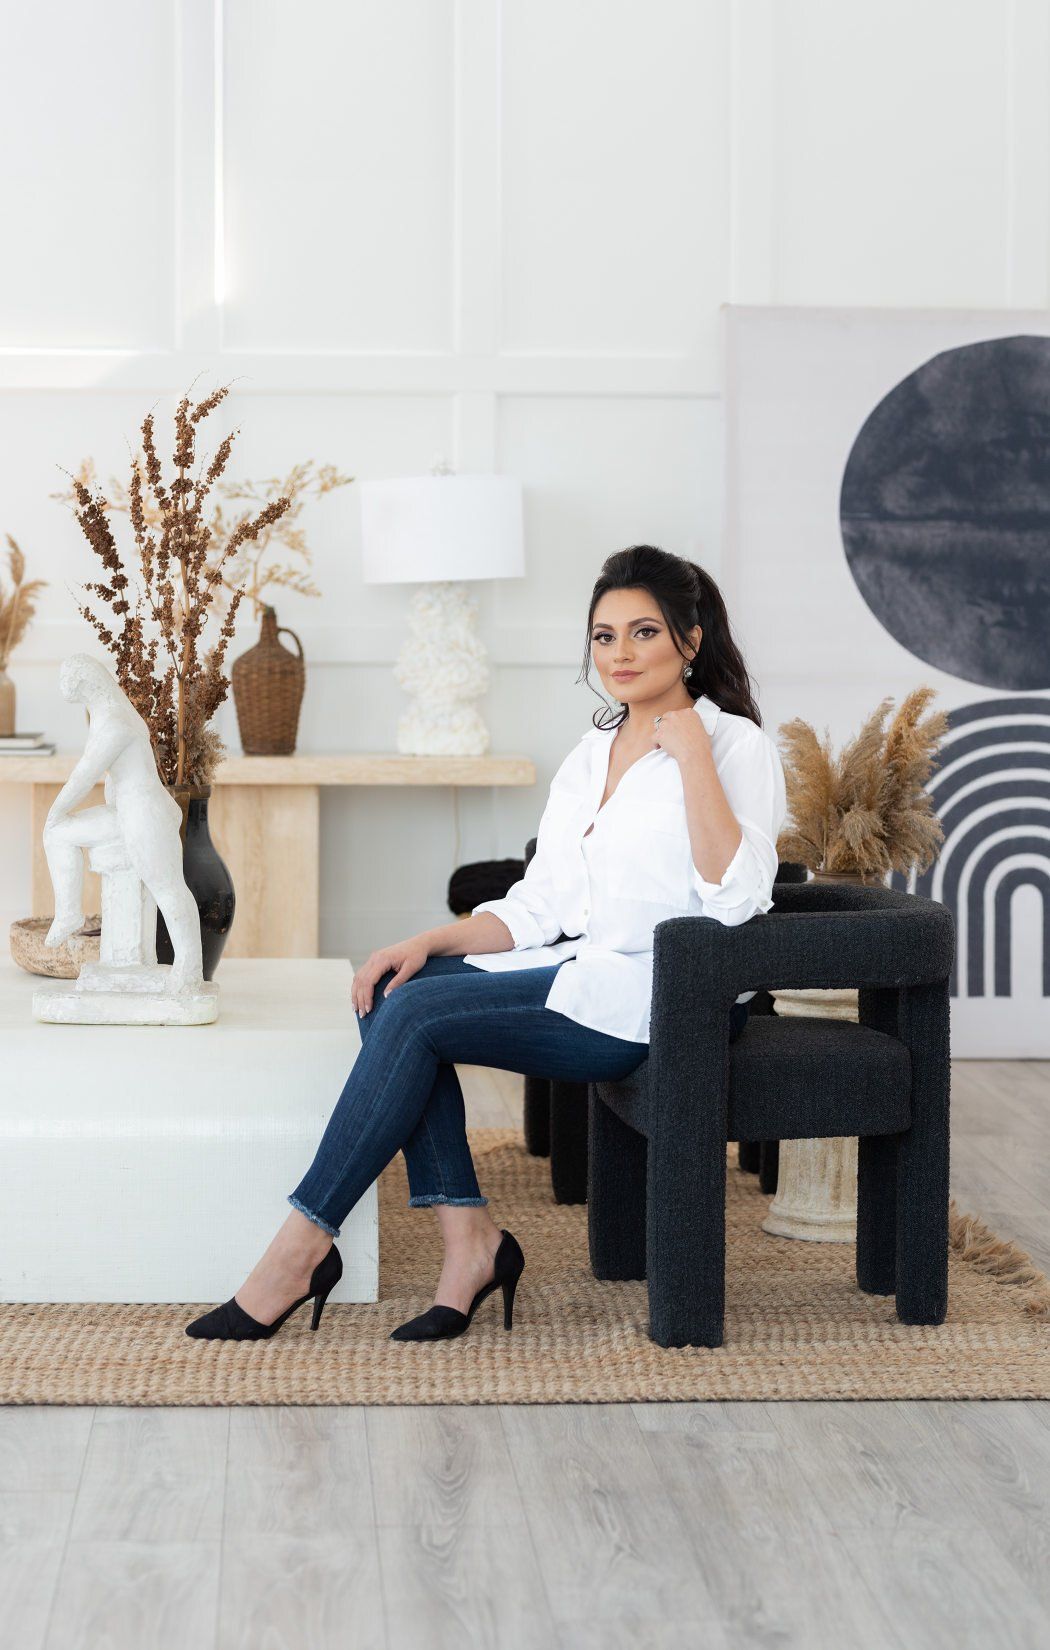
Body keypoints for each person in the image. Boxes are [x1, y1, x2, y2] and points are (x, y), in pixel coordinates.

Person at [185, 544, 788, 1343]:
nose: (621, 653)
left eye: (644, 632)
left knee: (415, 1020)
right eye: (604, 636)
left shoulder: (736, 746)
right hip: (582, 970)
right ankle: (470, 1243)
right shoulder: (589, 754)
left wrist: (694, 758)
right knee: (396, 989)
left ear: (691, 639)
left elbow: (739, 897)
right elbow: (541, 905)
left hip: (661, 1000)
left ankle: (297, 1254)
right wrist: (424, 941)